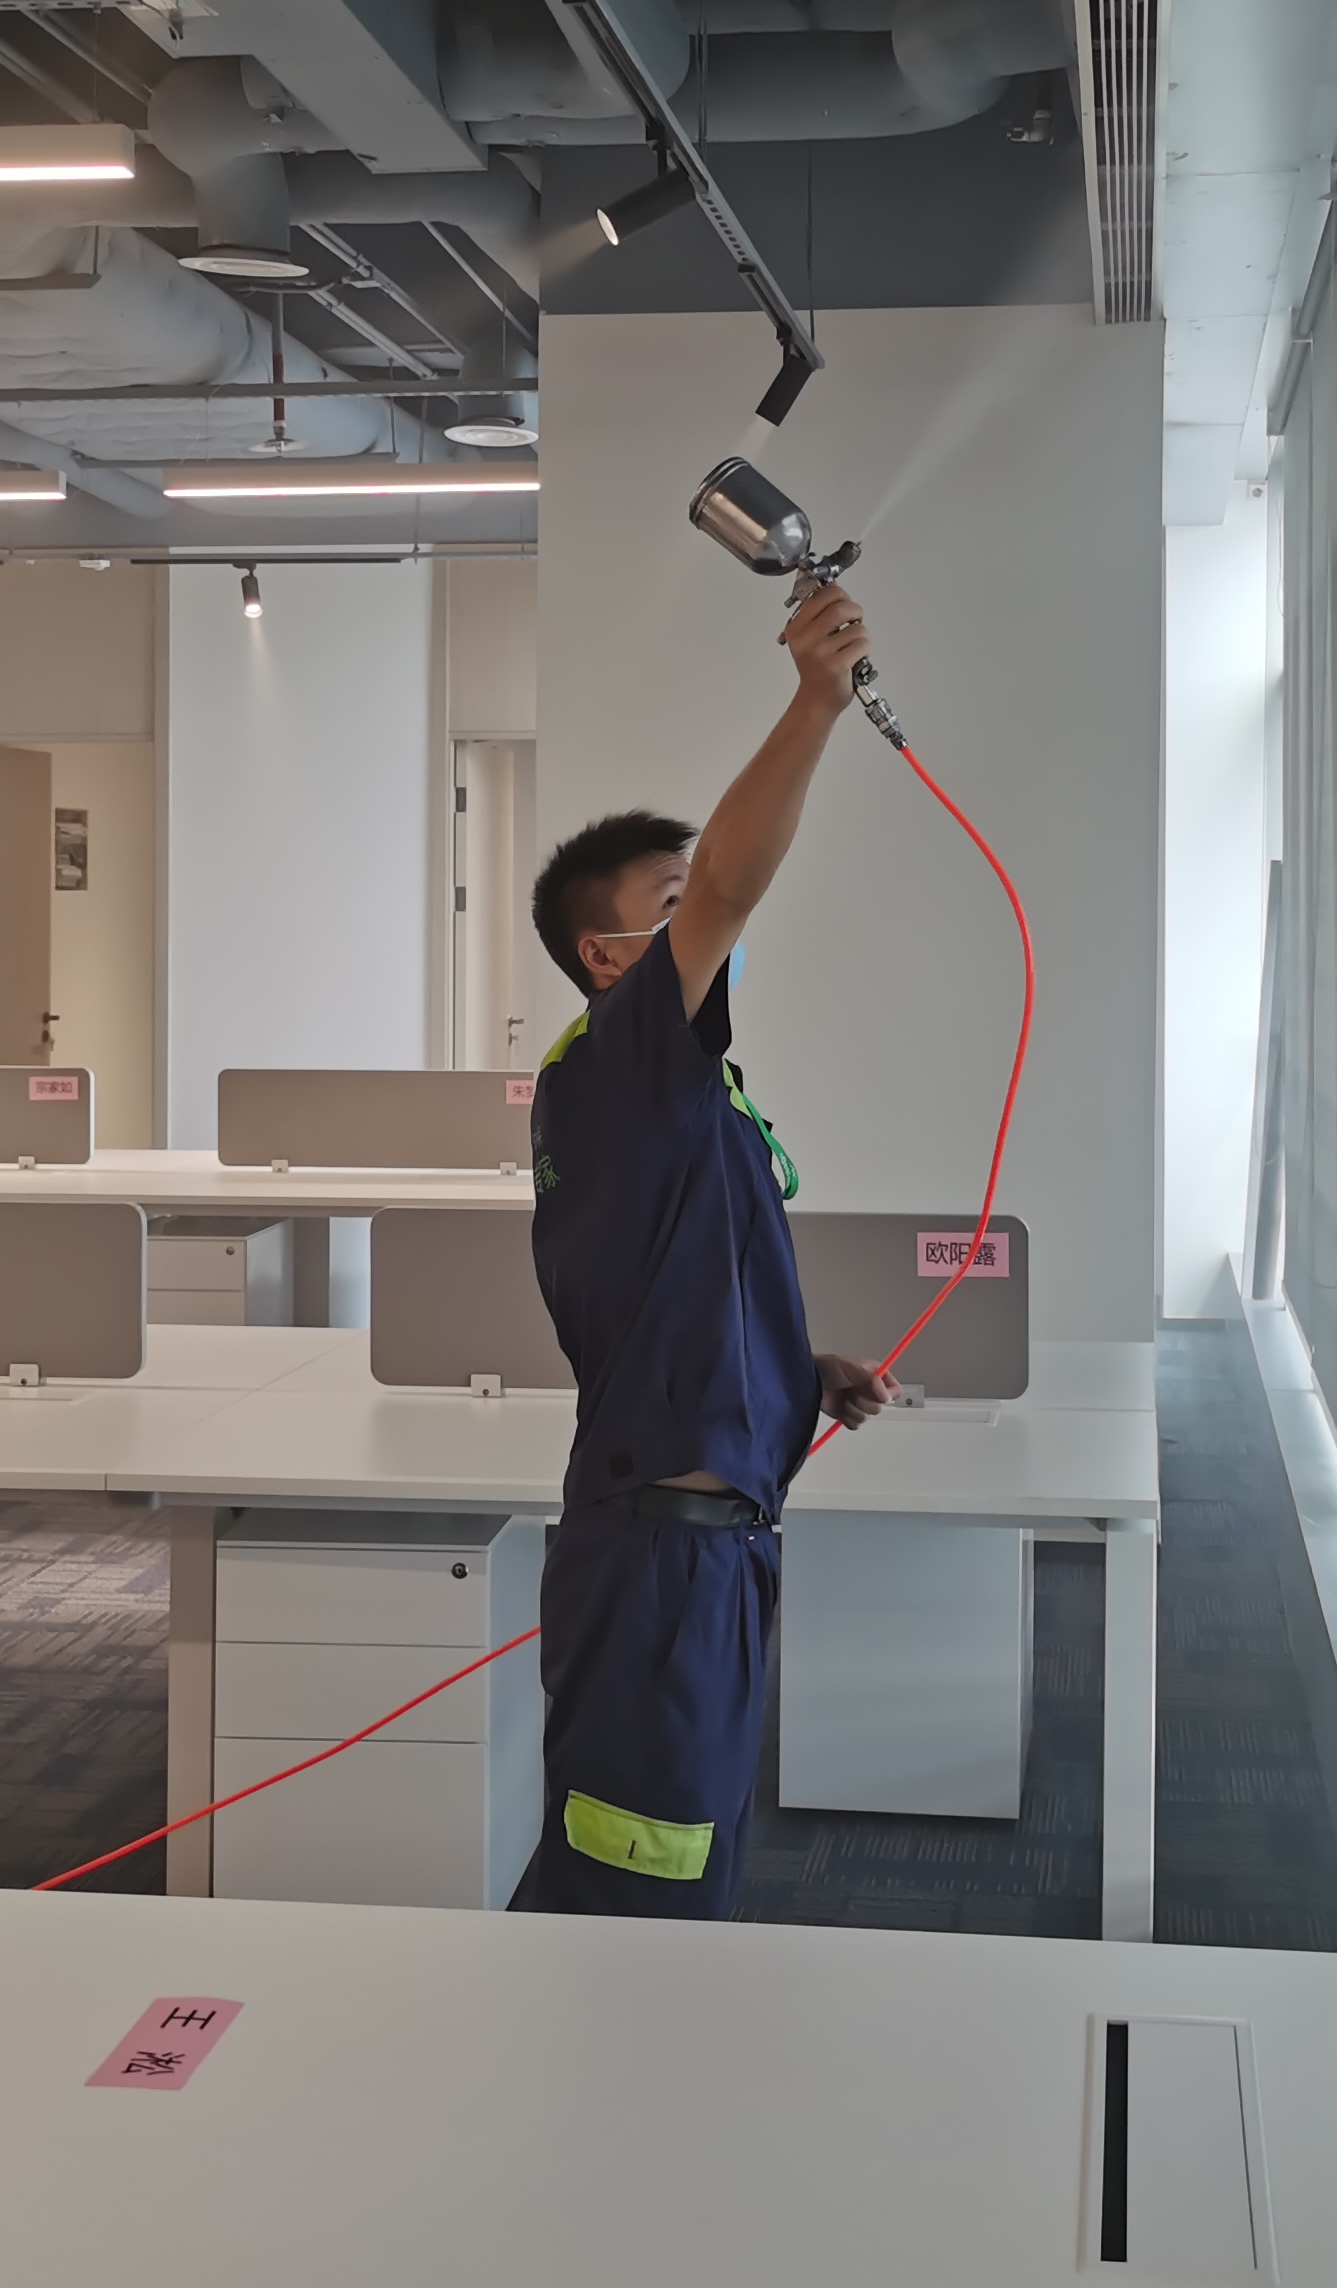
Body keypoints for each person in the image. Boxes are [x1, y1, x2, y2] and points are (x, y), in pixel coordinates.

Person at [511, 578, 894, 1916]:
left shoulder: (677, 1099)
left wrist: (795, 1371)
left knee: (671, 1876)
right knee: (639, 1899)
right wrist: (815, 702)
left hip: (700, 1548)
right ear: (607, 956)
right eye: (669, 910)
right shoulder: (617, 1069)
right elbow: (733, 876)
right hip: (663, 1565)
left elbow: (680, 1288)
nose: (705, 925)